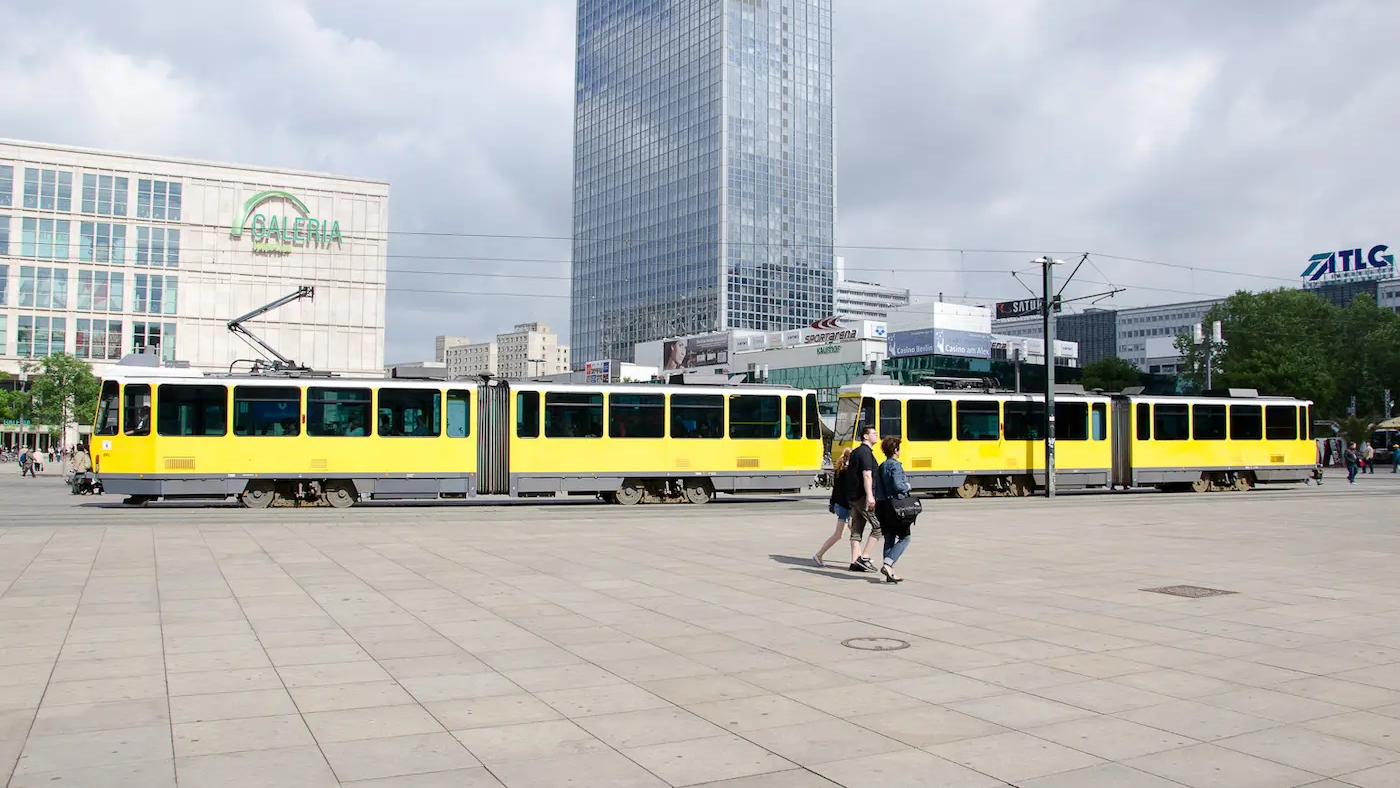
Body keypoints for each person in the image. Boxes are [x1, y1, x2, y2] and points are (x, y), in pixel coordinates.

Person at [874, 436, 914, 583]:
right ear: (896, 450)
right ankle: (888, 563)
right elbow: (898, 485)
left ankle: (889, 572)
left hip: (883, 506)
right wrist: (907, 486)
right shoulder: (895, 465)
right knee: (905, 537)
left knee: (889, 537)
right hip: (896, 506)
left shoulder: (882, 465)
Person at [844, 425, 882, 572]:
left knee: (856, 529)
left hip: (853, 496)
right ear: (865, 436)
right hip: (863, 496)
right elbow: (867, 474)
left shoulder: (856, 452)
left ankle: (854, 562)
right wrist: (870, 497)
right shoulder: (865, 453)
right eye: (874, 433)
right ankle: (864, 558)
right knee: (878, 527)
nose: (877, 435)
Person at [814, 449, 854, 567]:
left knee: (852, 534)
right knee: (842, 535)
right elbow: (848, 492)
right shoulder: (848, 472)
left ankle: (857, 558)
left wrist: (832, 503)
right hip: (847, 507)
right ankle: (819, 554)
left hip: (840, 506)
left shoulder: (839, 470)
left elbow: (835, 490)